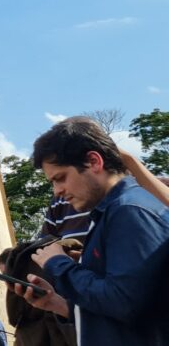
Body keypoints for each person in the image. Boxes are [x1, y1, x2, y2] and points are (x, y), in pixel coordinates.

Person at [17, 116, 169, 345]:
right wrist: (57, 304)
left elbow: (122, 302)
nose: (57, 191)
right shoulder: (113, 213)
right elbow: (125, 312)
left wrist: (58, 264)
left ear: (94, 161)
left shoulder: (129, 211)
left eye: (61, 178)